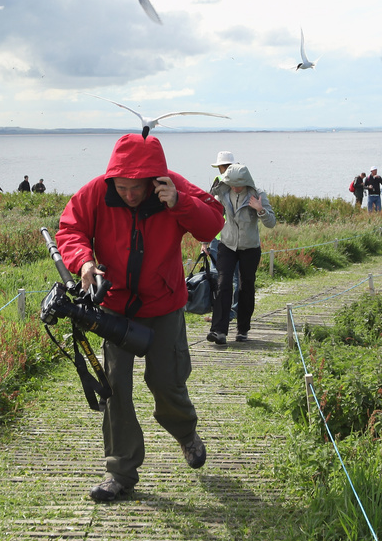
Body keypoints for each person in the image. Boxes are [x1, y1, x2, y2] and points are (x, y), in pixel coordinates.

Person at [56, 134, 224, 504]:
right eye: (122, 186)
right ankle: (119, 472)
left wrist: (179, 203)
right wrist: (83, 261)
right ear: (112, 177)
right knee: (115, 388)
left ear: (154, 180)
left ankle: (186, 434)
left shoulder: (174, 187)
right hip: (114, 306)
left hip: (164, 305)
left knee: (166, 382)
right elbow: (70, 229)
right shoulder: (95, 193)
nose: (130, 194)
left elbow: (212, 224)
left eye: (137, 188)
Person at [209, 162, 276, 345]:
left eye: (238, 184)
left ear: (246, 182)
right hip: (227, 245)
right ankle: (219, 331)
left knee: (245, 287)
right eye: (231, 183)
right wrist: (205, 242)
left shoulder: (258, 194)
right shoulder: (221, 191)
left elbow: (271, 222)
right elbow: (209, 214)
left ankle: (243, 329)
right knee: (223, 284)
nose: (234, 188)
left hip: (250, 248)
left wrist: (259, 209)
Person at [206, 150, 240, 321]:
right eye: (223, 167)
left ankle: (230, 311)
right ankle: (222, 311)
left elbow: (209, 209)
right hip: (222, 237)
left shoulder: (235, 183)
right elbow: (210, 209)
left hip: (227, 237)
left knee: (228, 277)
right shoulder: (220, 182)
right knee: (223, 276)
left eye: (225, 166)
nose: (223, 169)